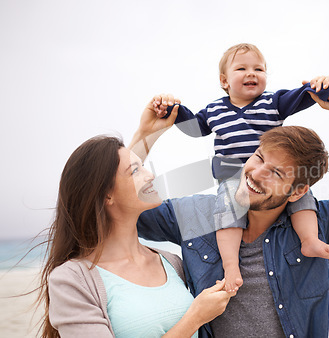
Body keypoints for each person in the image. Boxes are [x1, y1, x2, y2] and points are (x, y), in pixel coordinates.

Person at [131, 75, 329, 338]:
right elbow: (115, 206)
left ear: (298, 192)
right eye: (259, 157)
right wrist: (147, 135)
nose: (256, 173)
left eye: (276, 173)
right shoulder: (196, 215)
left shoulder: (321, 226)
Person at [154, 43, 329, 292]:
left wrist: (320, 87)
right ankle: (231, 266)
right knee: (227, 214)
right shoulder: (215, 110)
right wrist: (172, 110)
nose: (251, 73)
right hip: (232, 174)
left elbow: (302, 96)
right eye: (241, 68)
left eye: (259, 69)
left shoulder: (273, 102)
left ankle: (309, 240)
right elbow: (194, 128)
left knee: (302, 196)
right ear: (225, 81)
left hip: (271, 176)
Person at [38, 105, 234, 338]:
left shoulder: (171, 262)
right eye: (136, 171)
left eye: (143, 168)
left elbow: (116, 175)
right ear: (105, 195)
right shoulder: (71, 280)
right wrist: (195, 318)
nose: (150, 175)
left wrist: (147, 133)